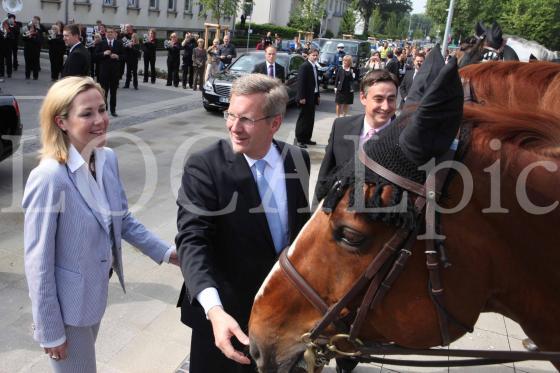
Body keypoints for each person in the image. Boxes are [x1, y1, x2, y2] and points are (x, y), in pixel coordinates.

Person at [22, 76, 178, 373]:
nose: (100, 120)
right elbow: (37, 261)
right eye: (87, 113)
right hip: (68, 311)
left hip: (93, 295)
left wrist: (168, 253)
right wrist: (49, 329)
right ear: (62, 122)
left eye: (102, 109)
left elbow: (123, 221)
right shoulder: (49, 178)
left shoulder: (106, 158)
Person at [176, 73, 310, 373]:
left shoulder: (297, 160)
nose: (234, 127)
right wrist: (214, 310)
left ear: (274, 123)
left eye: (246, 119)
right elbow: (192, 240)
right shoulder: (205, 165)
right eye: (231, 115)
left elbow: (299, 229)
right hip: (225, 317)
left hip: (281, 314)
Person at [315, 69, 399, 199]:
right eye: (379, 99)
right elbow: (324, 178)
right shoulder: (341, 127)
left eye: (391, 99)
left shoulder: (405, 137)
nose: (386, 106)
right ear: (363, 98)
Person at [294, 48, 320, 148]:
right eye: (313, 55)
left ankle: (307, 138)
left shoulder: (314, 66)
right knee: (303, 119)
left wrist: (318, 95)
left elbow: (316, 83)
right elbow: (301, 83)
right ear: (308, 56)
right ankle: (299, 139)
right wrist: (301, 97)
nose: (315, 57)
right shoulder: (304, 66)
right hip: (305, 97)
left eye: (316, 55)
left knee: (310, 119)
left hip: (313, 95)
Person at [95, 27, 123, 116]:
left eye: (112, 32)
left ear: (114, 33)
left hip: (115, 72)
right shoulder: (101, 43)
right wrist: (103, 53)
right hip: (104, 72)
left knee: (113, 92)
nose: (110, 34)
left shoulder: (118, 43)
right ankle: (104, 109)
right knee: (104, 92)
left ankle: (113, 110)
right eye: (108, 32)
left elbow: (124, 56)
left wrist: (117, 56)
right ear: (106, 33)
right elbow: (94, 56)